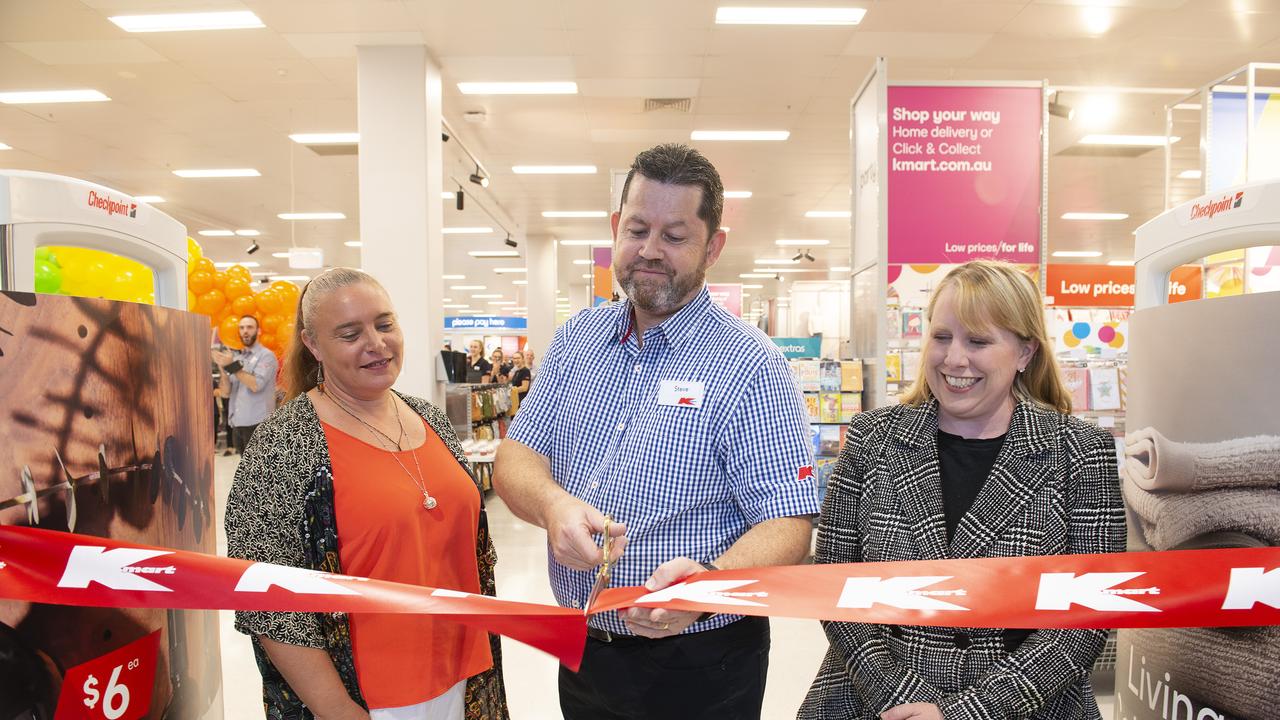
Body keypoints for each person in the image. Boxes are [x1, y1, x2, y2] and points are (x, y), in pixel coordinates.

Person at [493, 143, 818, 720]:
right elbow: (517, 459)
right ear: (616, 228)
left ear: (713, 247)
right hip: (588, 646)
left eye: (674, 236)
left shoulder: (751, 365)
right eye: (638, 229)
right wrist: (551, 506)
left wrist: (708, 583)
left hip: (702, 662)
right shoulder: (576, 342)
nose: (649, 251)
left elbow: (790, 522)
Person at [799, 260, 1124, 720]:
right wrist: (899, 697)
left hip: (1025, 705)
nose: (954, 359)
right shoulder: (873, 438)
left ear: (1025, 353)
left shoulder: (1078, 452)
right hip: (872, 698)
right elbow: (833, 581)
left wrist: (966, 713)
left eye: (978, 341)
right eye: (942, 336)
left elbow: (1087, 617)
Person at [224, 268, 508, 720]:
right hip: (367, 698)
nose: (375, 343)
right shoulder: (285, 443)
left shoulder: (428, 417)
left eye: (384, 324)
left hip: (467, 673)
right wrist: (335, 709)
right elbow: (267, 599)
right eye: (350, 333)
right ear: (314, 345)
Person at [212, 315, 277, 455]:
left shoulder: (266, 356)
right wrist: (223, 369)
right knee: (246, 473)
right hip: (237, 424)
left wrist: (231, 366)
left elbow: (255, 385)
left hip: (258, 425)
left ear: (258, 331)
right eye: (241, 328)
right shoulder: (238, 358)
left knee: (259, 474)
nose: (245, 331)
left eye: (249, 327)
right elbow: (225, 392)